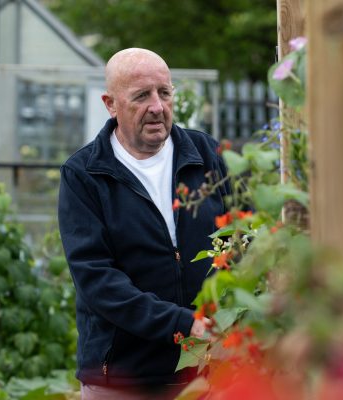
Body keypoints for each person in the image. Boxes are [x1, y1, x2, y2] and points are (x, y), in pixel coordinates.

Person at [58, 48, 229, 399]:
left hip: (209, 373)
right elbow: (97, 280)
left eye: (164, 93)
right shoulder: (85, 175)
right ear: (110, 103)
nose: (157, 107)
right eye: (141, 96)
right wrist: (184, 324)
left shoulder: (206, 155)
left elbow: (244, 235)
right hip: (123, 379)